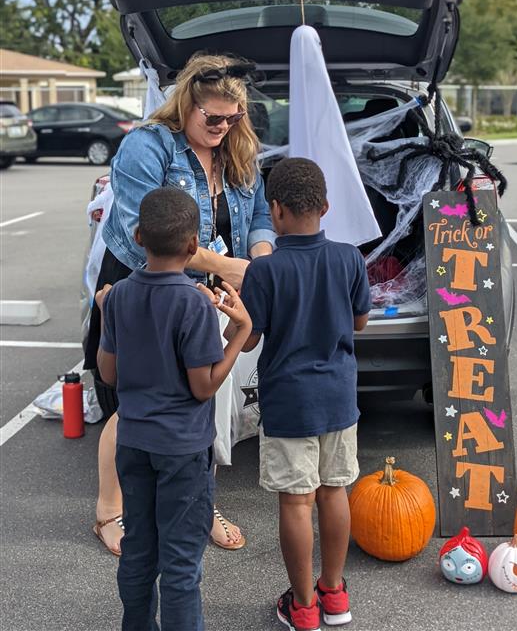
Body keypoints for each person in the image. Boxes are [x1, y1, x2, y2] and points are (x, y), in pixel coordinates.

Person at [86, 53, 275, 555]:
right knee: (137, 404)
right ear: (186, 101)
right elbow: (134, 231)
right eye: (212, 117)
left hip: (206, 293)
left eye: (233, 117)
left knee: (202, 403)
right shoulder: (146, 147)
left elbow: (258, 213)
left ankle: (199, 501)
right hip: (145, 287)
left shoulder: (238, 145)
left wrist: (260, 259)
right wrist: (225, 267)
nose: (223, 126)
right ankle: (110, 511)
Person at [96, 186, 252, 631]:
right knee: (181, 566)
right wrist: (241, 331)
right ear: (192, 247)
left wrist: (107, 312)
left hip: (134, 443)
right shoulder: (193, 303)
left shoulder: (121, 295)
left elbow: (108, 374)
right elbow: (203, 388)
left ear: (140, 236)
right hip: (182, 450)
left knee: (140, 550)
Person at [234, 158, 372, 631]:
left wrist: (234, 311)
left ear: (275, 211)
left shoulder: (264, 271)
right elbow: (359, 322)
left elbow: (250, 339)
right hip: (339, 397)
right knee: (335, 492)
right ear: (327, 206)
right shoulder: (350, 258)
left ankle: (303, 605)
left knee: (296, 502)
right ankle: (335, 594)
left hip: (290, 400)